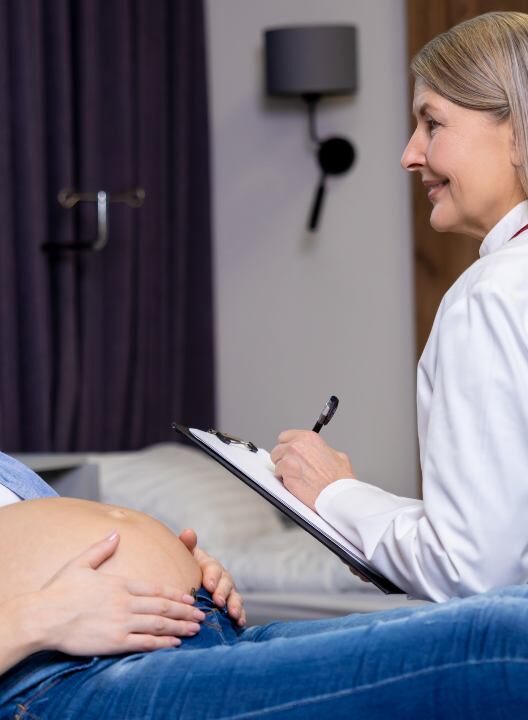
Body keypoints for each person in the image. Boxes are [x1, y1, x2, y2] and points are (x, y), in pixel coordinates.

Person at [0, 15, 528, 719]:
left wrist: (179, 565)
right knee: (496, 645)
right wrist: (42, 619)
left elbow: (56, 552)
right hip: (55, 687)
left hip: (174, 642)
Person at [271, 10, 528, 603]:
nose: (409, 155)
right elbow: (502, 537)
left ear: (516, 131)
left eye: (432, 123)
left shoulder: (490, 295)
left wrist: (334, 494)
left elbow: (471, 572)